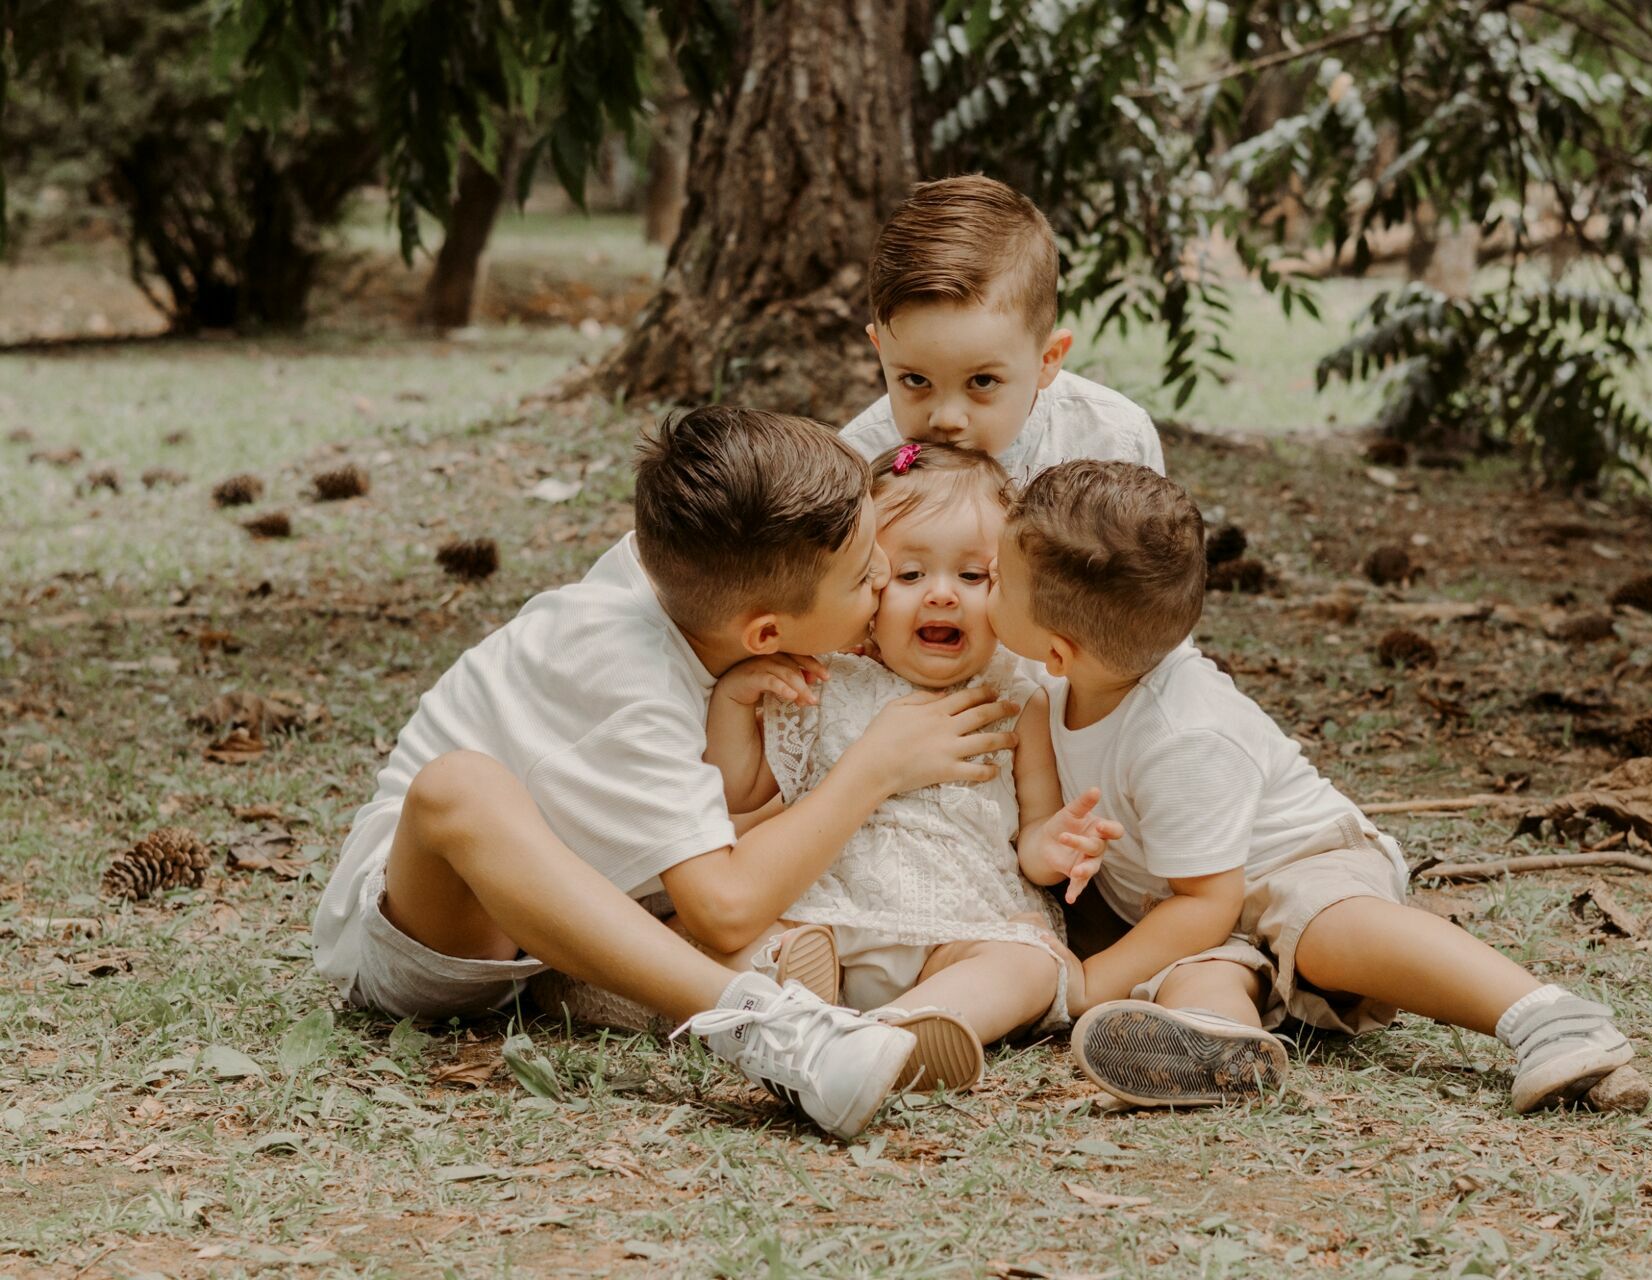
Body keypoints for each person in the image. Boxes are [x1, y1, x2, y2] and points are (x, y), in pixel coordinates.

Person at [311, 406, 1022, 1140]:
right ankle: (771, 1034)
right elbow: (724, 906)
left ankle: (613, 989)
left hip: (586, 901)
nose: (883, 581)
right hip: (426, 930)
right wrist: (874, 765)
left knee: (782, 917)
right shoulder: (628, 673)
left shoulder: (698, 571)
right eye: (864, 576)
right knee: (458, 785)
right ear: (765, 633)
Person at [987, 460, 1646, 1114]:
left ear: (1058, 649)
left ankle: (1544, 1016)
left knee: (1316, 925)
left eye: (993, 582)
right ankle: (1222, 1047)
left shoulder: (1182, 733)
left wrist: (1088, 986)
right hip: (1201, 910)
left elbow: (1207, 902)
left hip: (1303, 865)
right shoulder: (1058, 685)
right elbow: (1201, 919)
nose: (982, 590)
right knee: (1198, 972)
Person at [703, 442, 1121, 1091]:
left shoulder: (1019, 700)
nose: (943, 596)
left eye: (973, 577)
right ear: (867, 586)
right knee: (772, 933)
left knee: (1031, 965)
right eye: (910, 575)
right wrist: (733, 706)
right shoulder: (825, 678)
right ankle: (796, 982)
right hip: (830, 915)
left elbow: (1031, 840)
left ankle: (896, 1030)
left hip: (959, 928)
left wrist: (1059, 844)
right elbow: (744, 791)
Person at [842, 175, 1164, 485]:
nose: (947, 420)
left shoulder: (1114, 444)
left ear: (1048, 359)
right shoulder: (859, 466)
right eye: (916, 380)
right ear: (880, 349)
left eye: (982, 381)